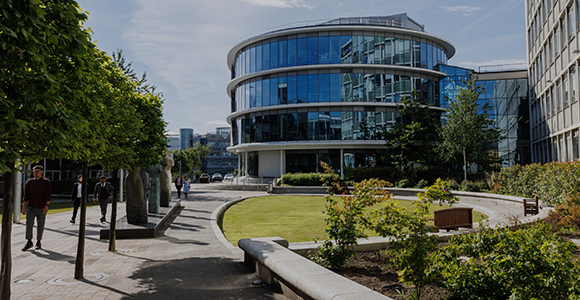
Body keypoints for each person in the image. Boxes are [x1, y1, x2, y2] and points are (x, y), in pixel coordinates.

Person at [22, 165, 51, 251]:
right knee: (29, 223)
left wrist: (47, 206)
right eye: (34, 171)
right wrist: (23, 208)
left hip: (42, 207)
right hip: (31, 206)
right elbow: (25, 196)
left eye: (37, 171)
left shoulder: (46, 182)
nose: (35, 173)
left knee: (40, 225)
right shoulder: (29, 182)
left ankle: (38, 241)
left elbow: (48, 195)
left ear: (41, 172)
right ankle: (29, 241)